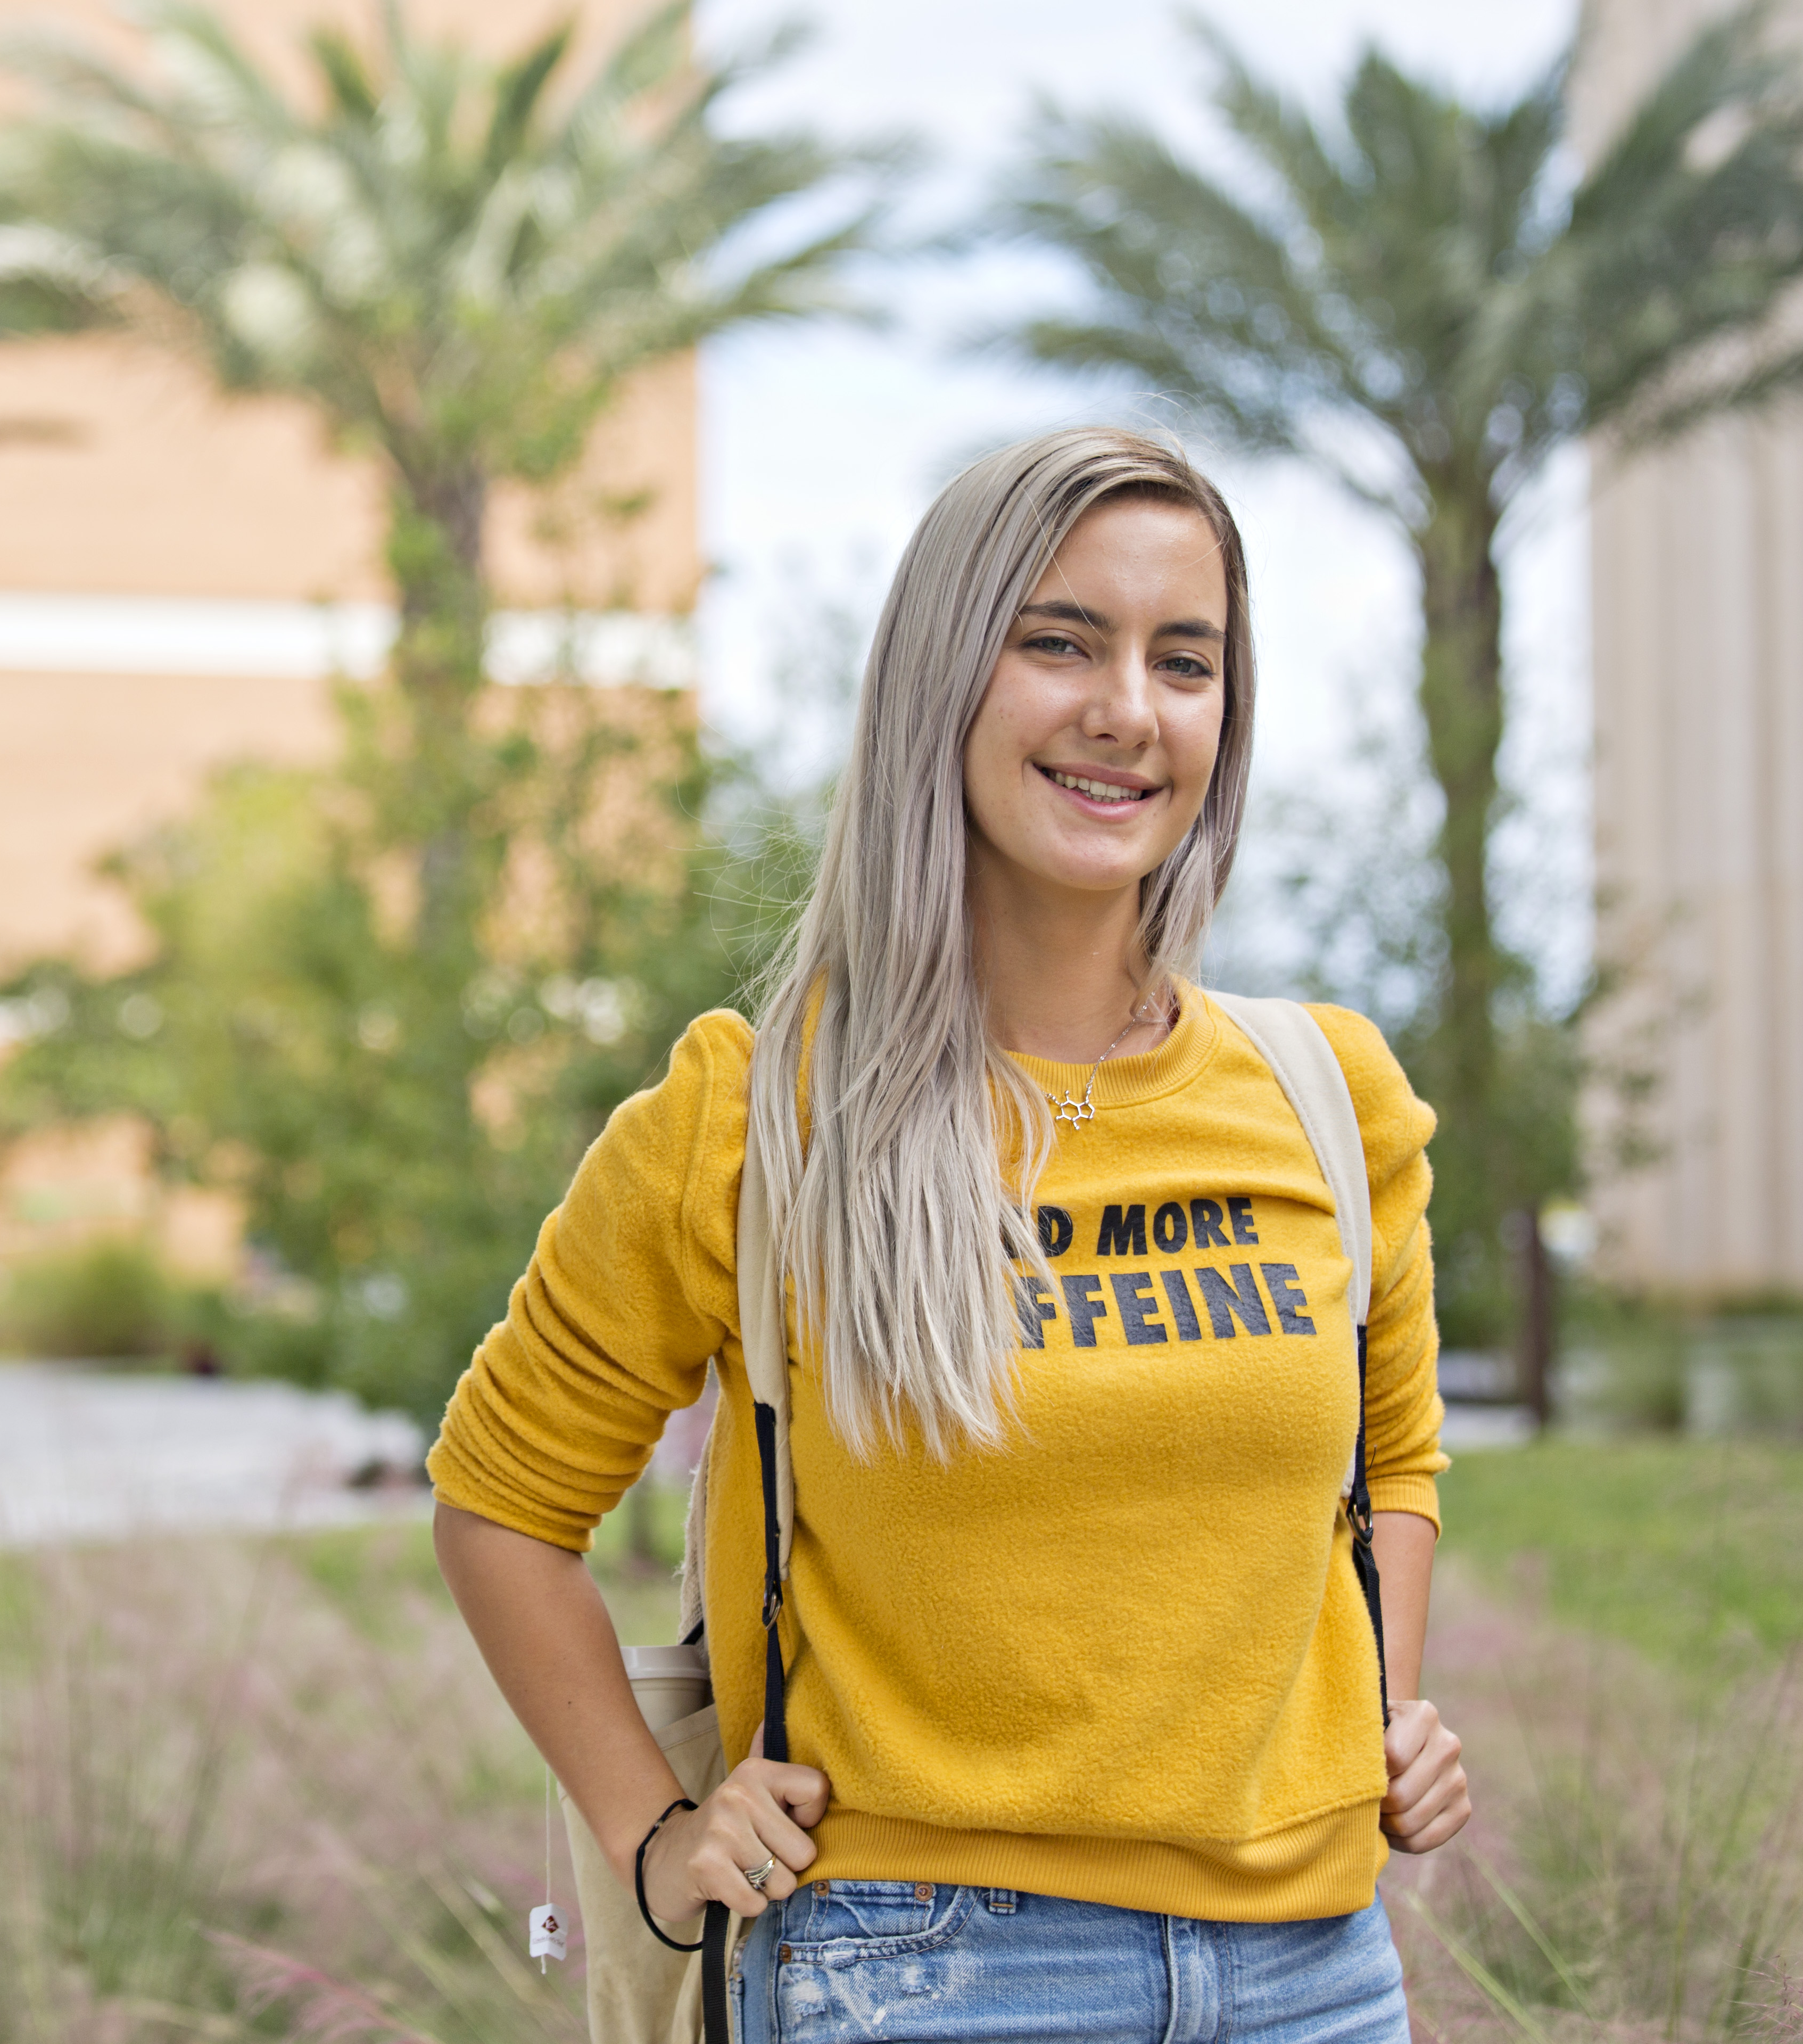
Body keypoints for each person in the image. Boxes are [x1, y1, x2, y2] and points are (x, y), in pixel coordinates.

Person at [427, 427, 1468, 2042]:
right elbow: (501, 1505)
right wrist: (655, 1840)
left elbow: (1390, 1459)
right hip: (918, 1975)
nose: (1127, 707)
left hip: (1311, 1975)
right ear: (941, 681)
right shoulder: (750, 1125)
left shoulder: (1329, 1099)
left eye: (1183, 661)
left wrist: (1385, 1710)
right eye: (1060, 641)